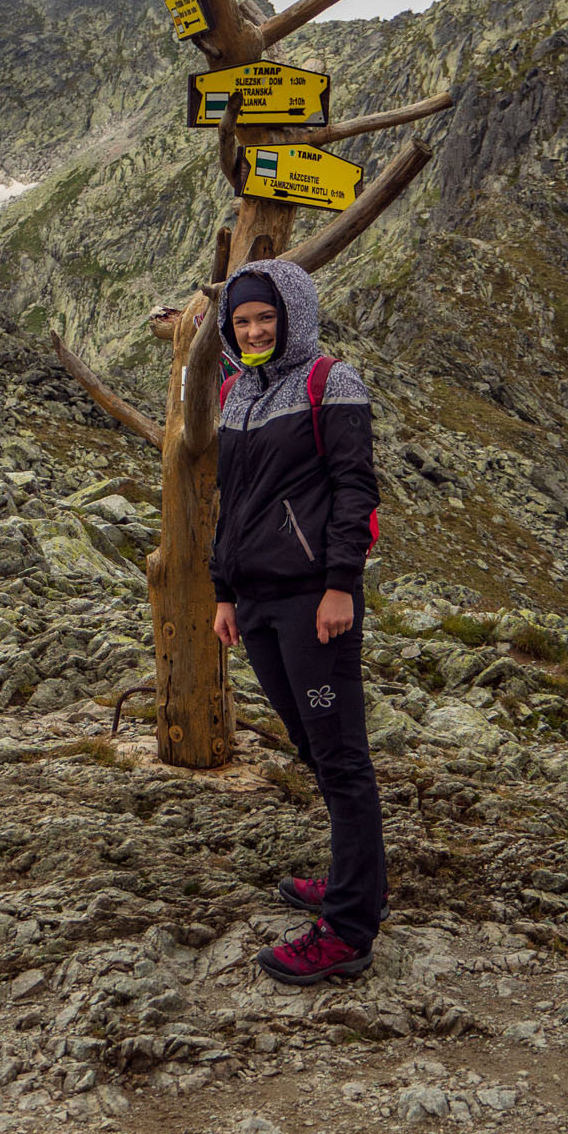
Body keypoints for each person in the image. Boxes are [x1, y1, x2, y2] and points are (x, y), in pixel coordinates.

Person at [211, 259, 387, 984]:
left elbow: (355, 488)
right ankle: (357, 873)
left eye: (266, 319)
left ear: (294, 317)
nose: (254, 331)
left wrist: (341, 585)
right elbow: (233, 501)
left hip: (316, 601)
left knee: (341, 758)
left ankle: (349, 929)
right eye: (242, 321)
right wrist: (225, 593)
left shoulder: (330, 381)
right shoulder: (233, 391)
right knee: (313, 747)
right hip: (256, 603)